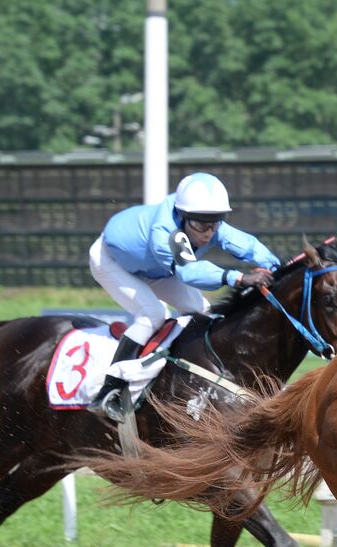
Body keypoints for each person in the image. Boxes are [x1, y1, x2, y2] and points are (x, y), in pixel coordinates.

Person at [87, 171, 282, 421]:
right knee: (153, 314)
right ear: (183, 217)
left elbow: (249, 246)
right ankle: (109, 390)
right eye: (202, 225)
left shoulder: (204, 222)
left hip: (156, 270)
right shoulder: (164, 230)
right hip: (112, 263)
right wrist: (239, 278)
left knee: (204, 313)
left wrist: (279, 267)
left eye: (215, 224)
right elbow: (190, 273)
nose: (208, 233)